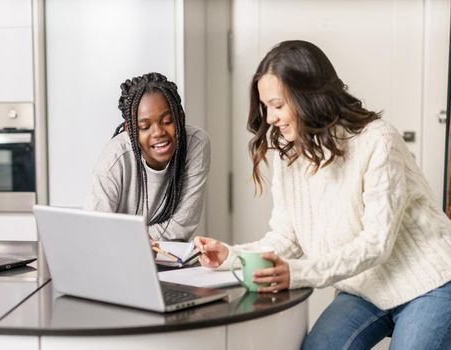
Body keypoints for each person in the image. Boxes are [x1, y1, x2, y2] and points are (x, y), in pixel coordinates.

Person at [195, 40, 451, 349]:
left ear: (309, 96)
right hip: (367, 288)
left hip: (429, 283)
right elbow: (285, 238)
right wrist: (231, 256)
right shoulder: (288, 157)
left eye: (277, 105)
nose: (270, 118)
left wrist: (298, 273)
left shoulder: (378, 140)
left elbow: (376, 244)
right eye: (265, 107)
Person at [85, 72, 210, 242]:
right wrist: (132, 244)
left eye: (167, 121)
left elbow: (181, 227)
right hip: (118, 256)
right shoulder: (115, 158)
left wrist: (125, 238)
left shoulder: (196, 143)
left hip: (169, 258)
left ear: (181, 117)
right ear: (130, 130)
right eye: (144, 127)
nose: (158, 132)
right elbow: (96, 230)